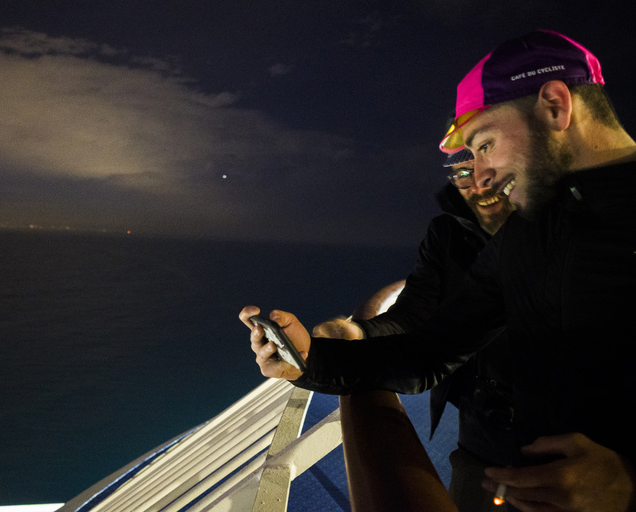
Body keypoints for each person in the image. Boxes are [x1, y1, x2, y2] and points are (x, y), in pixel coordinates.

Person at [241, 30, 636, 511]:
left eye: (485, 144)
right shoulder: (526, 234)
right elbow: (430, 351)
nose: (481, 174)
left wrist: (629, 484)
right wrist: (311, 360)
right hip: (503, 480)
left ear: (555, 105)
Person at [313, 146, 515, 508]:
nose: (477, 183)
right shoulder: (447, 233)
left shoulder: (567, 234)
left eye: (487, 165)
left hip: (574, 439)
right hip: (483, 423)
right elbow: (415, 319)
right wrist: (356, 335)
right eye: (462, 173)